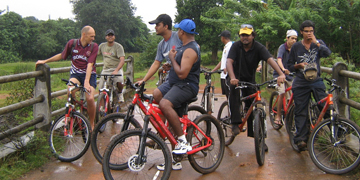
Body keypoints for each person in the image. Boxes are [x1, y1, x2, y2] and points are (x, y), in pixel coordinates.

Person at [226, 24, 285, 142]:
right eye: (242, 35)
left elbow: (270, 60)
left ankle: (259, 140)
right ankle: (235, 123)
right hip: (235, 78)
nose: (244, 37)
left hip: (250, 80)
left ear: (253, 35)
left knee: (254, 107)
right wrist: (232, 77)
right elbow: (229, 61)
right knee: (234, 94)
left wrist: (281, 74)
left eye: (247, 35)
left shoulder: (259, 48)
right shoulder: (236, 46)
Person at [155, 19, 200, 170]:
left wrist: (173, 59)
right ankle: (173, 151)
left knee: (165, 104)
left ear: (182, 32)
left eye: (178, 30)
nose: (177, 32)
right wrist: (171, 65)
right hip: (177, 84)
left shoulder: (190, 49)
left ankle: (182, 141)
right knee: (158, 96)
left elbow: (182, 74)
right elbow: (178, 67)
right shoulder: (184, 47)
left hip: (186, 86)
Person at [36, 26, 98, 129]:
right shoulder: (72, 44)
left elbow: (90, 64)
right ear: (84, 35)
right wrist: (45, 61)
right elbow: (62, 55)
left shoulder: (94, 46)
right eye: (91, 36)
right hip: (76, 74)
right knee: (70, 89)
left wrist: (86, 82)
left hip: (90, 75)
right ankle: (72, 114)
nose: (93, 39)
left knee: (90, 98)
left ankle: (91, 124)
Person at [286, 20, 331, 151]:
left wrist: (316, 41)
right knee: (301, 110)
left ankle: (337, 132)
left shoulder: (318, 44)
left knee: (325, 105)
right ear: (301, 32)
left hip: (316, 80)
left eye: (311, 31)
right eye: (306, 31)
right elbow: (289, 66)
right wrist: (298, 65)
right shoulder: (296, 47)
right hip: (301, 81)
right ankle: (301, 139)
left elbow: (327, 53)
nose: (309, 33)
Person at [136, 14, 182, 85]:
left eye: (158, 25)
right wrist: (143, 80)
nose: (155, 27)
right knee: (157, 94)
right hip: (171, 77)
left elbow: (193, 48)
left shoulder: (179, 37)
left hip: (182, 76)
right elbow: (156, 63)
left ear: (166, 26)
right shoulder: (161, 45)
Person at [273, 29, 298, 127]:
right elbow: (279, 60)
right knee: (282, 92)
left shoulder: (295, 49)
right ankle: (278, 115)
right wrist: (283, 69)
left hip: (290, 75)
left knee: (294, 95)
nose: (294, 41)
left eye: (295, 39)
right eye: (292, 38)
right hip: (280, 75)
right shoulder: (282, 47)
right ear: (287, 38)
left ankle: (291, 117)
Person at [98, 29, 125, 103]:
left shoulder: (118, 46)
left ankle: (120, 93)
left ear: (114, 37)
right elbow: (95, 54)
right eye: (108, 35)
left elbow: (122, 60)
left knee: (120, 81)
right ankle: (102, 105)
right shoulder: (102, 46)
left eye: (111, 35)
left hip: (116, 68)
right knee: (100, 87)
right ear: (106, 37)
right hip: (106, 69)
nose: (110, 37)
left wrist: (116, 70)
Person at [211, 30, 232, 99]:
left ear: (223, 38)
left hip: (227, 75)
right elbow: (222, 61)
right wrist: (213, 71)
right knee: (227, 96)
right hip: (223, 75)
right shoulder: (226, 47)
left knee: (230, 97)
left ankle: (232, 109)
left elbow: (232, 60)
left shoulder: (230, 47)